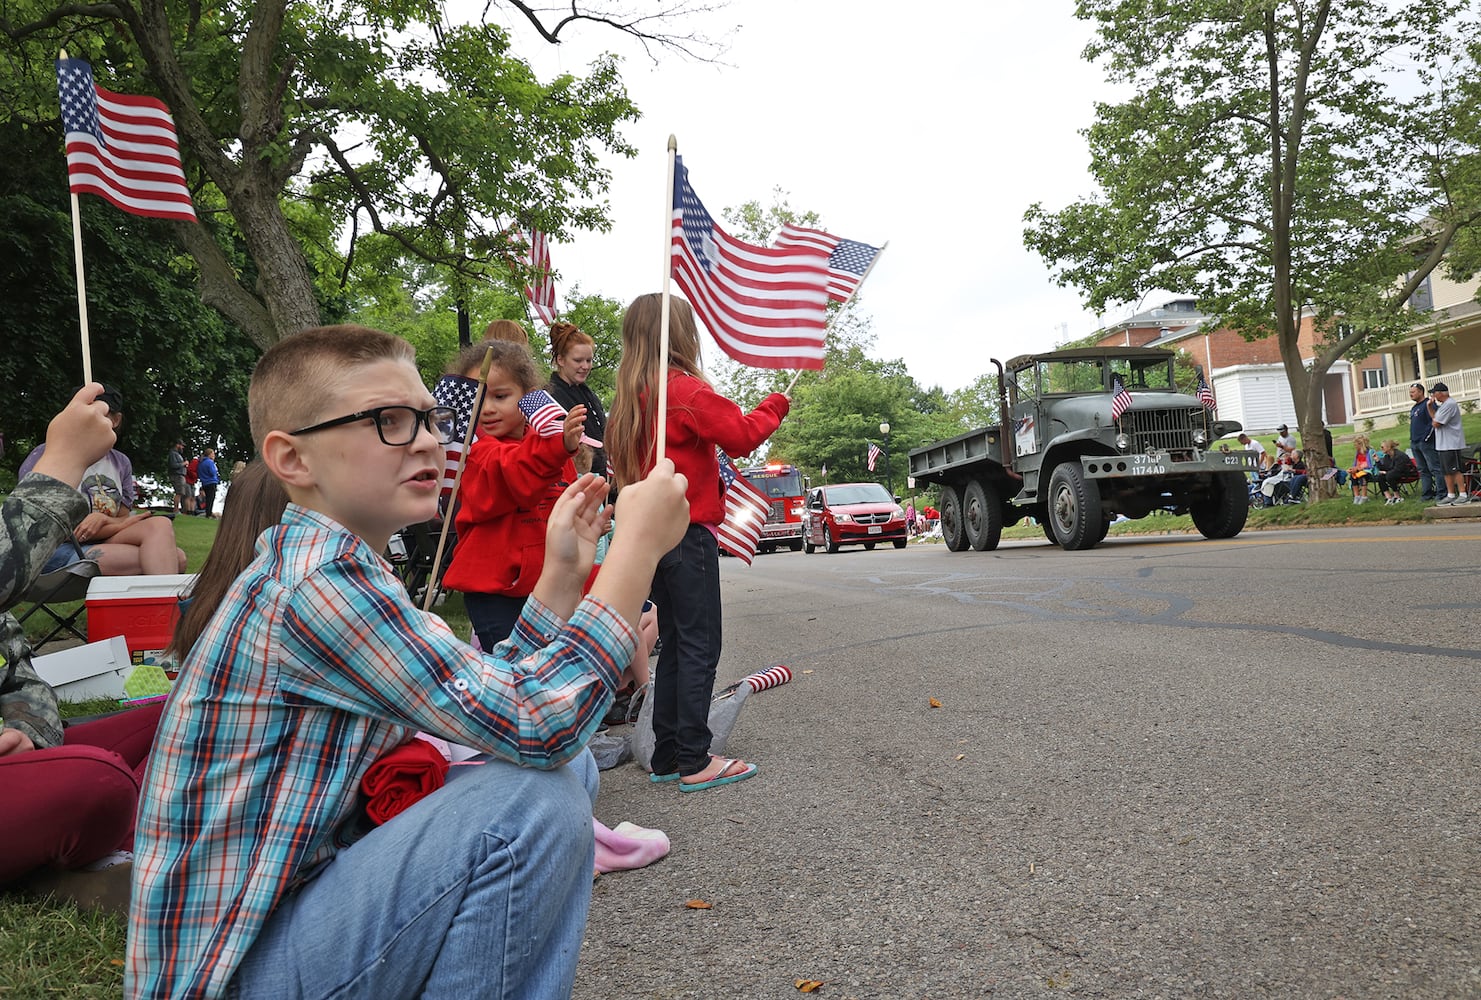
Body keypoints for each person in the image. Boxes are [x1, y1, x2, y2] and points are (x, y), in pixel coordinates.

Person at [126, 324, 689, 999]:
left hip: (290, 923)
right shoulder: (316, 588)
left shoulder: (338, 568)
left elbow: (495, 701)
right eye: (388, 421)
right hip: (232, 971)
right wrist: (634, 553)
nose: (427, 439)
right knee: (528, 803)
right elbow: (537, 721)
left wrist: (562, 576)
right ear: (293, 460)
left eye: (429, 417)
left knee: (555, 772)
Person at [607, 293, 789, 793]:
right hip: (688, 531)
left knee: (677, 644)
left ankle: (668, 753)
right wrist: (777, 403)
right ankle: (694, 757)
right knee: (700, 643)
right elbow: (741, 435)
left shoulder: (629, 400)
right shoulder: (681, 390)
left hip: (652, 534)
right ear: (679, 335)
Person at [0, 385, 165, 915]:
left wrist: (29, 730)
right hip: (60, 554)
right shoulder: (49, 462)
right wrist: (65, 460)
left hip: (14, 746)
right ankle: (101, 851)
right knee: (99, 780)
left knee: (182, 714)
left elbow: (20, 675)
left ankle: (83, 856)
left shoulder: (120, 463)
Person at [441, 340, 587, 649]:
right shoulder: (482, 454)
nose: (488, 408)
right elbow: (519, 475)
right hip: (494, 592)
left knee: (547, 670)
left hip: (543, 585)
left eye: (501, 396)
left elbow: (567, 507)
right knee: (515, 675)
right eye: (479, 399)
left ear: (527, 398)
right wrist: (557, 446)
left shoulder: (550, 448)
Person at [17, 386, 187, 576]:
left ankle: (157, 605)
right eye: (83, 411)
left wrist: (104, 519)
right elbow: (31, 523)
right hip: (53, 549)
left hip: (104, 539)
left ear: (116, 420)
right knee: (173, 558)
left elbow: (122, 515)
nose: (90, 418)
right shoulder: (46, 454)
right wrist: (119, 525)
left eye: (100, 412)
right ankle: (163, 606)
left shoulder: (120, 462)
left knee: (161, 525)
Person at [546, 320, 610, 481]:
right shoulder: (551, 396)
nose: (585, 366)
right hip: (576, 480)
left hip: (601, 479)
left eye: (589, 360)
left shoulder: (588, 394)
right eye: (578, 360)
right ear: (561, 360)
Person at [1427, 382, 1470, 505]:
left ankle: (1463, 493)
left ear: (1440, 393)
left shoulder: (1450, 404)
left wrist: (1435, 420)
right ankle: (1450, 494)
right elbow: (1435, 418)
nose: (1433, 396)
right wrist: (1429, 407)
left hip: (1451, 443)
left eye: (1434, 393)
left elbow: (1436, 423)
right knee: (1446, 470)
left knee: (1455, 469)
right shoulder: (1443, 406)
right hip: (1443, 444)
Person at [1408, 382, 1442, 501]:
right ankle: (1427, 494)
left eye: (1413, 392)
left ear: (1421, 392)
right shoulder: (1414, 408)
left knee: (1434, 468)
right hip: (1415, 442)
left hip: (1426, 442)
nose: (1411, 394)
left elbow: (1434, 421)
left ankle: (1441, 492)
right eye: (1410, 392)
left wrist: (1426, 437)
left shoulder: (1428, 404)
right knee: (1423, 470)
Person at [1376, 440, 1416, 505]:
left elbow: (1399, 469)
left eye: (1382, 447)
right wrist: (1377, 461)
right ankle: (1388, 497)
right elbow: (1385, 468)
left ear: (1389, 447)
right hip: (1395, 473)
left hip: (1407, 473)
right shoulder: (1387, 456)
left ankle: (1397, 496)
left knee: (1389, 475)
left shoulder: (1399, 455)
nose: (1381, 449)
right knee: (1380, 476)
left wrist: (1386, 473)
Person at [1346, 434, 1378, 503]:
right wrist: (1353, 469)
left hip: (1369, 471)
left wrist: (1359, 469)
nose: (1354, 446)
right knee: (1353, 476)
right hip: (1360, 470)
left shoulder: (1370, 452)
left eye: (1355, 444)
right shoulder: (1358, 453)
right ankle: (1357, 496)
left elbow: (1370, 464)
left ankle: (1364, 496)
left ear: (1361, 444)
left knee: (1362, 476)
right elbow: (1356, 464)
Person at [167, 440, 192, 514]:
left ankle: (183, 510)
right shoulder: (173, 454)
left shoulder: (177, 454)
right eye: (182, 445)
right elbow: (173, 465)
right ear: (177, 445)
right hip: (177, 475)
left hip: (180, 475)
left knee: (182, 493)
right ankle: (176, 509)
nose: (183, 447)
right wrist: (184, 463)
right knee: (179, 493)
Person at [196, 447, 220, 518]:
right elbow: (213, 472)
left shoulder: (201, 463)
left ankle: (207, 512)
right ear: (209, 454)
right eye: (213, 454)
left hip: (204, 482)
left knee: (207, 498)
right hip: (211, 481)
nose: (214, 456)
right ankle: (208, 513)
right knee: (211, 498)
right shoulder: (210, 462)